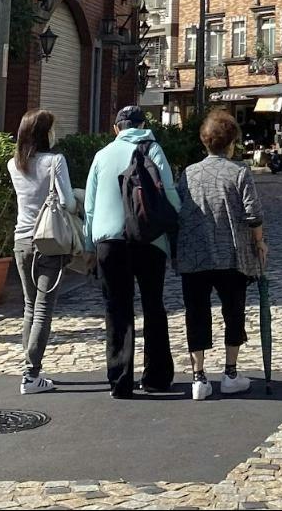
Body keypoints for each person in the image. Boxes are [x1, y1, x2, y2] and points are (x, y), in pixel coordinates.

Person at [84, 104, 180, 398]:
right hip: (149, 239)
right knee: (153, 305)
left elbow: (89, 207)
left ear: (116, 128)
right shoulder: (153, 149)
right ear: (143, 124)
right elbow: (170, 195)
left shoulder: (101, 156)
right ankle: (156, 376)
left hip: (109, 242)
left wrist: (89, 246)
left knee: (117, 308)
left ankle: (119, 380)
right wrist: (173, 223)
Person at [175, 107, 268, 401]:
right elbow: (254, 214)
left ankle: (199, 377)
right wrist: (260, 243)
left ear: (205, 141)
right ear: (231, 142)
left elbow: (179, 211)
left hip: (194, 254)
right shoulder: (239, 172)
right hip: (231, 253)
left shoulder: (188, 173)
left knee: (196, 313)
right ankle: (230, 373)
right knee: (233, 311)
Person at [7, 108, 77, 395]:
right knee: (44, 309)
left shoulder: (15, 164)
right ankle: (31, 374)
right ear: (45, 133)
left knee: (29, 306)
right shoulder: (55, 161)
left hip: (21, 240)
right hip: (47, 241)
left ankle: (30, 369)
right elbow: (68, 202)